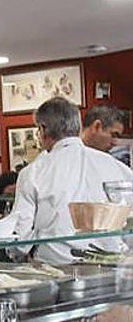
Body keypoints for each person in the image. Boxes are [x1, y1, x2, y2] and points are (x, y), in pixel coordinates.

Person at [8, 97, 133, 264]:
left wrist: (16, 254)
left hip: (55, 273)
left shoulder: (33, 173)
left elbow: (19, 238)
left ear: (43, 129)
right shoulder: (118, 167)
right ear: (78, 126)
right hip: (111, 272)